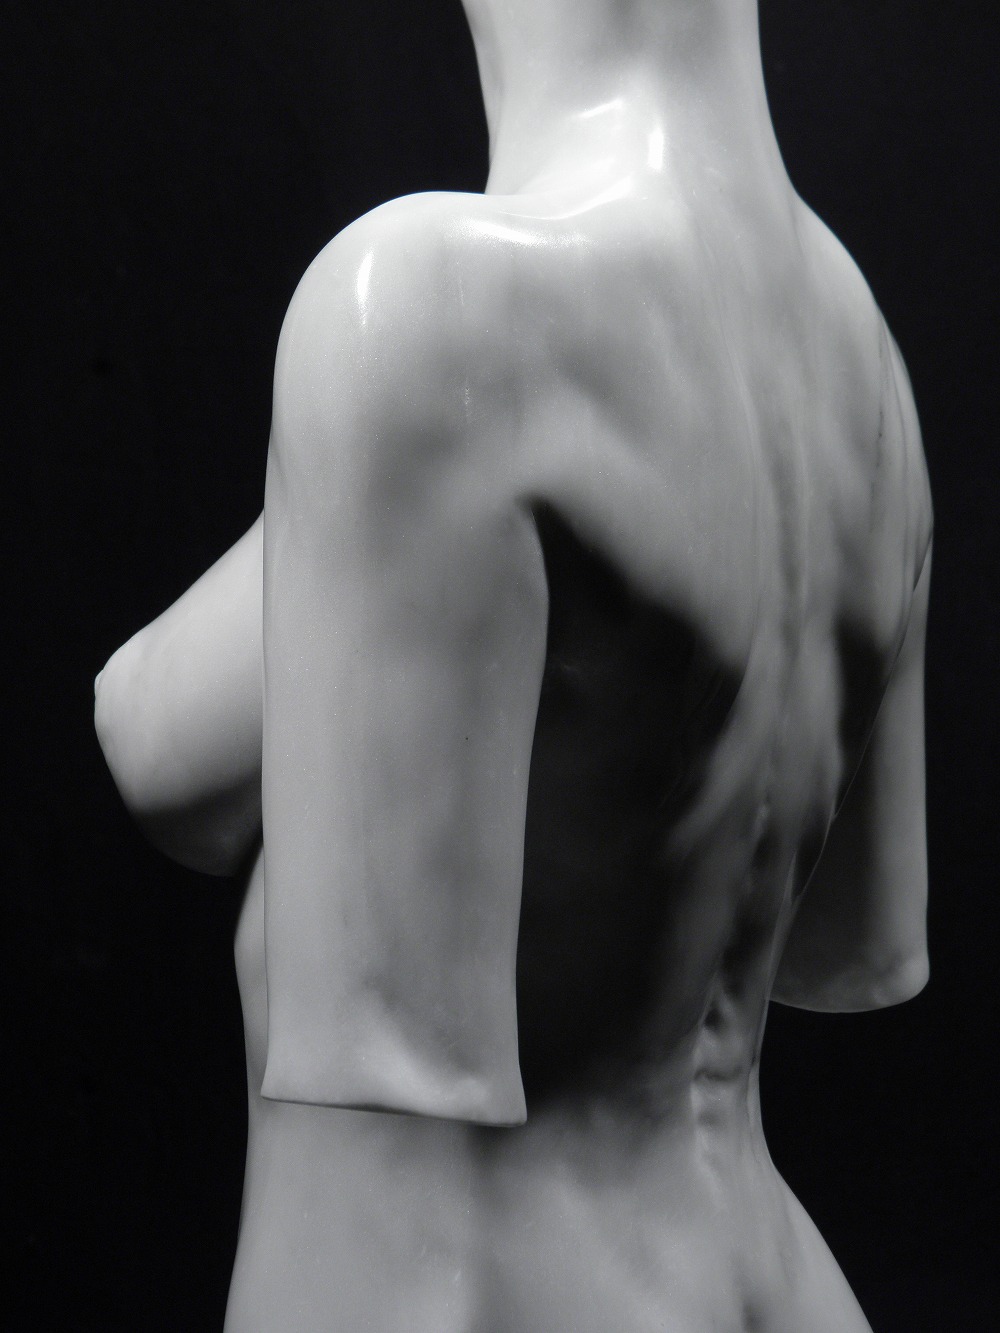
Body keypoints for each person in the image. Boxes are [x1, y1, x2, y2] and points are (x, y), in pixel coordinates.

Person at [95, 0, 932, 1327]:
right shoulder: (867, 375)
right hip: (779, 1277)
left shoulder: (427, 316)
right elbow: (157, 753)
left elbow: (375, 1184)